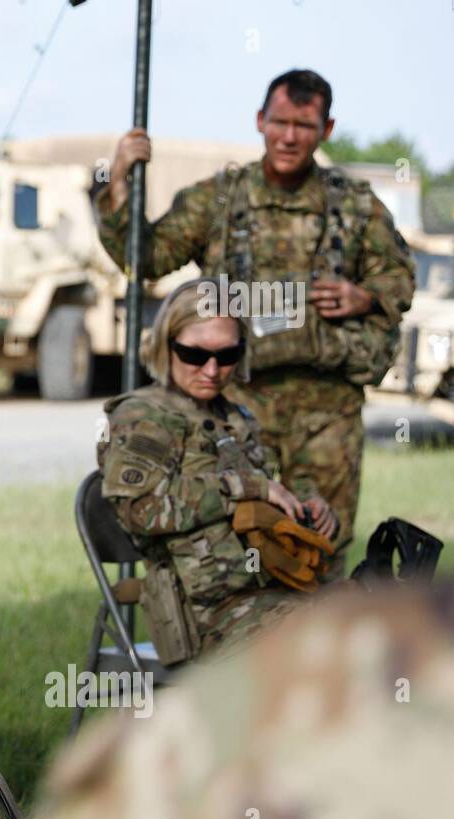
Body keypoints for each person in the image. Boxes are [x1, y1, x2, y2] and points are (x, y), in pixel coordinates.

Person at [96, 69, 415, 578]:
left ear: (327, 129)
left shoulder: (355, 206)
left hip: (326, 411)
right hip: (235, 405)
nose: (290, 137)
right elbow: (147, 258)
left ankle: (319, 649)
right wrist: (114, 183)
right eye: (281, 121)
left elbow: (400, 279)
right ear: (260, 121)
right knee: (241, 543)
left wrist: (365, 295)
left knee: (322, 548)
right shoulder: (221, 199)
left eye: (305, 126)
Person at [13, 583, 454, 819]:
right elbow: (149, 510)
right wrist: (250, 495)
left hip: (272, 585)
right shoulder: (147, 432)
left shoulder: (239, 432)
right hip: (208, 598)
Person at [98, 277, 337, 664]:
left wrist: (307, 511)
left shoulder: (234, 417)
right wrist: (242, 488)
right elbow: (138, 511)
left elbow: (262, 501)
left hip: (273, 592)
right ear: (166, 345)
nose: (212, 370)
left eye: (227, 356)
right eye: (194, 355)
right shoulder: (144, 417)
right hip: (206, 614)